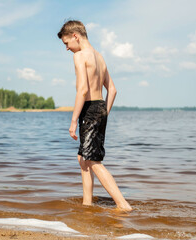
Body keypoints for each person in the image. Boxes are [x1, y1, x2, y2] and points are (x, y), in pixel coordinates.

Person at [57, 20, 132, 211]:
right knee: (83, 158)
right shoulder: (100, 57)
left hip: (89, 109)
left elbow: (82, 89)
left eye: (67, 43)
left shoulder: (80, 56)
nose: (67, 48)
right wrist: (104, 113)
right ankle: (87, 204)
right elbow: (113, 90)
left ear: (76, 36)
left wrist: (73, 120)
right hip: (100, 107)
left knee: (93, 161)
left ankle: (123, 205)